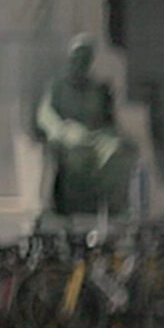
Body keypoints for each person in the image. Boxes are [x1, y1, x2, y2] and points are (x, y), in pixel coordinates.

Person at [35, 33, 135, 215]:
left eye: (85, 58)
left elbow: (109, 120)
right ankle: (75, 209)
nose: (80, 63)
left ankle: (116, 209)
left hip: (97, 135)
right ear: (70, 59)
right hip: (69, 134)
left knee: (118, 151)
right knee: (77, 153)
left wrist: (115, 135)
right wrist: (60, 131)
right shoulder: (58, 85)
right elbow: (45, 115)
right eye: (77, 57)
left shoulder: (97, 88)